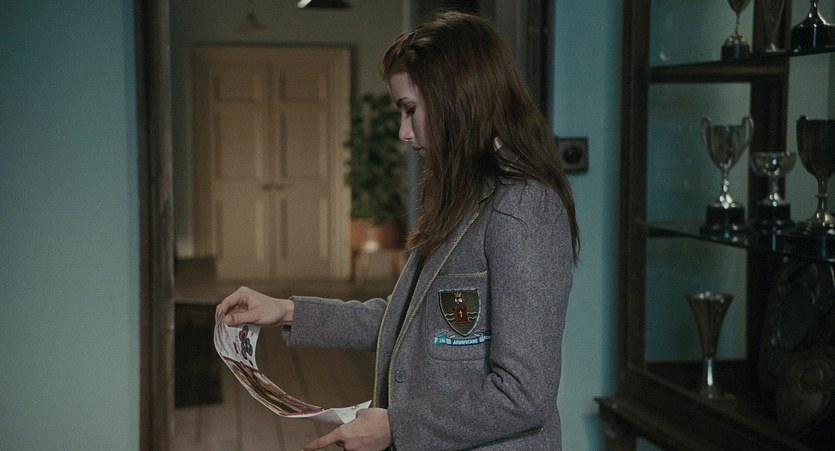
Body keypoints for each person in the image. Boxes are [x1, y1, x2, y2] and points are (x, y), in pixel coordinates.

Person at [216, 10, 579, 451]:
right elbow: (409, 321)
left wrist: (395, 427)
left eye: (410, 110)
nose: (403, 132)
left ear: (458, 100)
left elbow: (524, 396)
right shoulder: (463, 193)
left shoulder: (524, 206)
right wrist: (286, 310)